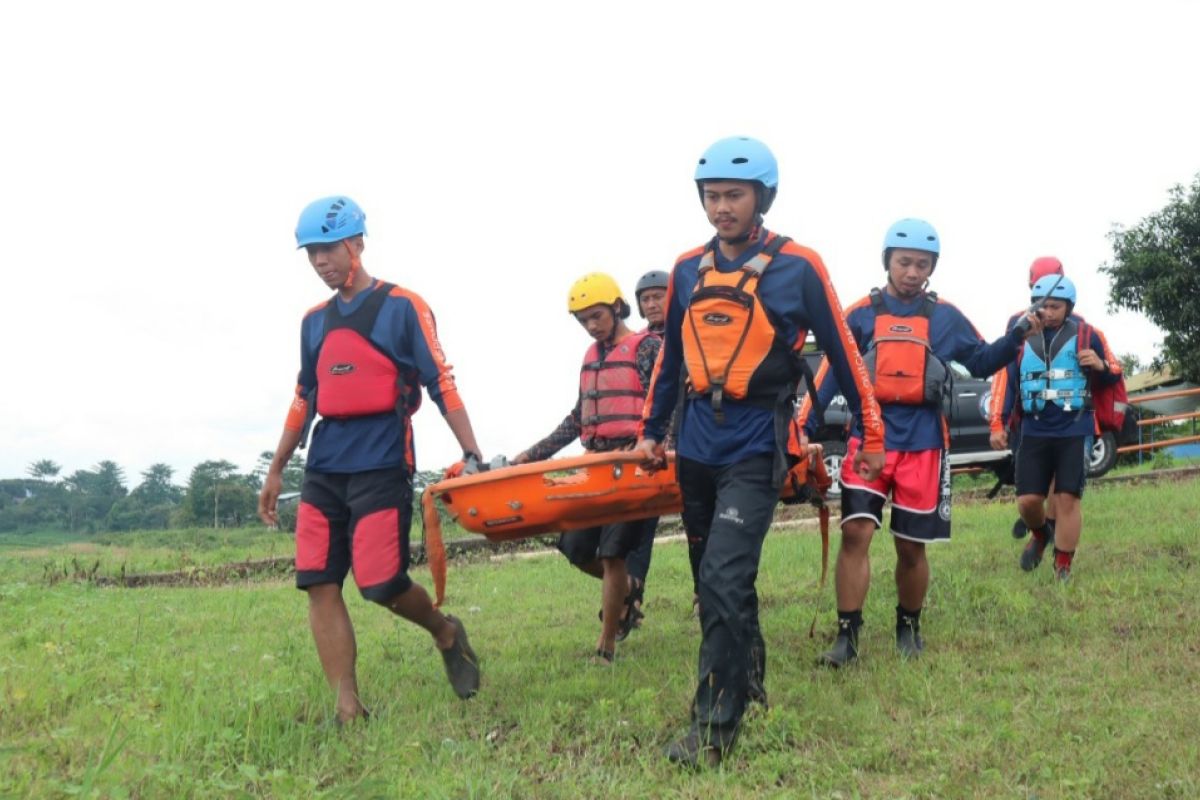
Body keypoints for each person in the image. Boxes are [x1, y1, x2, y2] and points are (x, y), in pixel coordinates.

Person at [633, 136, 886, 768]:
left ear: (761, 198)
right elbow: (673, 359)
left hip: (756, 443)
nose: (721, 208)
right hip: (695, 445)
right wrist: (650, 429)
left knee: (724, 576)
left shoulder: (799, 267)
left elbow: (844, 353)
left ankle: (714, 727)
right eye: (712, 196)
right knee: (712, 580)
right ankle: (748, 679)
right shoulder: (688, 268)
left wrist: (871, 434)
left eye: (734, 196)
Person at [257, 196, 485, 724]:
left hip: (383, 458)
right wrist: (276, 468)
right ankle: (348, 706)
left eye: (329, 249)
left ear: (357, 243)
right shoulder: (313, 322)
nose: (320, 262)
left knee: (380, 584)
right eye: (311, 254)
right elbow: (303, 396)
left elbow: (441, 380)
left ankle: (445, 632)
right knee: (317, 578)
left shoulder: (404, 306)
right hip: (324, 464)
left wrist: (470, 451)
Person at [803, 218, 1040, 669]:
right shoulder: (860, 314)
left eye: (922, 264)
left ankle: (908, 628)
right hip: (868, 440)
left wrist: (1015, 339)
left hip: (925, 443)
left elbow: (982, 360)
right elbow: (832, 371)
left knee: (911, 547)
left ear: (932, 268)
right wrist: (806, 424)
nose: (912, 272)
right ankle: (847, 637)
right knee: (855, 532)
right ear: (887, 262)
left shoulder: (945, 316)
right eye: (904, 262)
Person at [511, 272, 662, 663]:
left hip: (633, 467)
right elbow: (578, 419)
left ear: (616, 308)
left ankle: (605, 645)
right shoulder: (591, 357)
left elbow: (664, 405)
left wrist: (652, 447)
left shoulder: (647, 348)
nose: (591, 327)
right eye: (583, 320)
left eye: (596, 316)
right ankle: (628, 588)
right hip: (595, 465)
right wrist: (531, 455)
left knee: (613, 553)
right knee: (576, 547)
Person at [991, 274, 1120, 581]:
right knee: (1028, 501)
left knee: (1067, 499)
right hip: (1034, 428)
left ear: (1068, 307)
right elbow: (1005, 381)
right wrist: (997, 422)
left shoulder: (1089, 335)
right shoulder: (1018, 337)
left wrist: (1100, 366)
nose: (1048, 313)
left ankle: (1063, 566)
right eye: (1043, 306)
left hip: (1075, 428)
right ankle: (1039, 534)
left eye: (1055, 307)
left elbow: (1115, 372)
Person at [623, 269, 671, 624]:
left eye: (659, 296)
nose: (652, 303)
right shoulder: (637, 344)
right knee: (641, 520)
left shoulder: (689, 334)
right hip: (650, 441)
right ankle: (630, 599)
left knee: (699, 520)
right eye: (646, 298)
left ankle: (705, 595)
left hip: (688, 436)